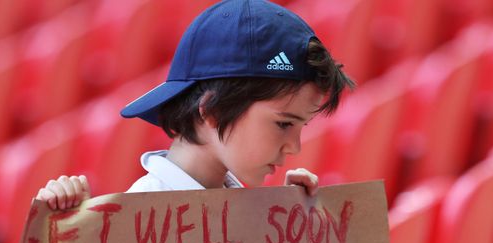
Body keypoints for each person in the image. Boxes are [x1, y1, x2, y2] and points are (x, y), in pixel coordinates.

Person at [35, 0, 354, 210]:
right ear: (212, 111)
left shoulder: (249, 212)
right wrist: (67, 236)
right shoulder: (134, 222)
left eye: (301, 126)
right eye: (284, 123)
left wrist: (289, 227)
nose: (295, 148)